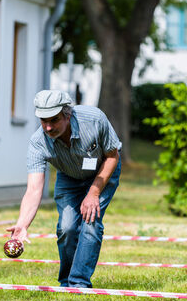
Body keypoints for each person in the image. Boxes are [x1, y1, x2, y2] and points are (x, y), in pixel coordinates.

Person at [7, 90, 121, 287]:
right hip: (69, 176)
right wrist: (22, 224)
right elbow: (34, 189)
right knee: (66, 227)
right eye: (44, 121)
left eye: (54, 120)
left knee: (91, 222)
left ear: (67, 114)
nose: (48, 127)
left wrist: (93, 192)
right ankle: (66, 282)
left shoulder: (94, 119)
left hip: (103, 170)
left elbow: (112, 156)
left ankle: (79, 283)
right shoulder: (37, 143)